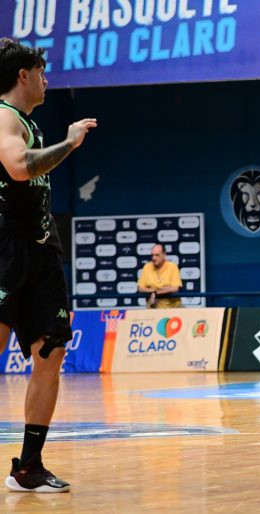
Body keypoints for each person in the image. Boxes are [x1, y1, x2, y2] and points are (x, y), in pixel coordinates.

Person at [0, 38, 97, 492]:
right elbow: (20, 167)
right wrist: (71, 142)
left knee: (51, 351)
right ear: (23, 75)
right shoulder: (3, 116)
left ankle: (29, 467)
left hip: (42, 251)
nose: (46, 78)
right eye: (41, 71)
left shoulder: (28, 122)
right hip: (6, 249)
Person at [137, 244, 183, 308]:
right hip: (153, 309)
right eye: (152, 255)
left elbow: (175, 288)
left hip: (173, 308)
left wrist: (157, 292)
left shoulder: (172, 266)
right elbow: (141, 288)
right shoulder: (147, 267)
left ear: (164, 255)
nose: (153, 258)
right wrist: (155, 290)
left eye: (157, 255)